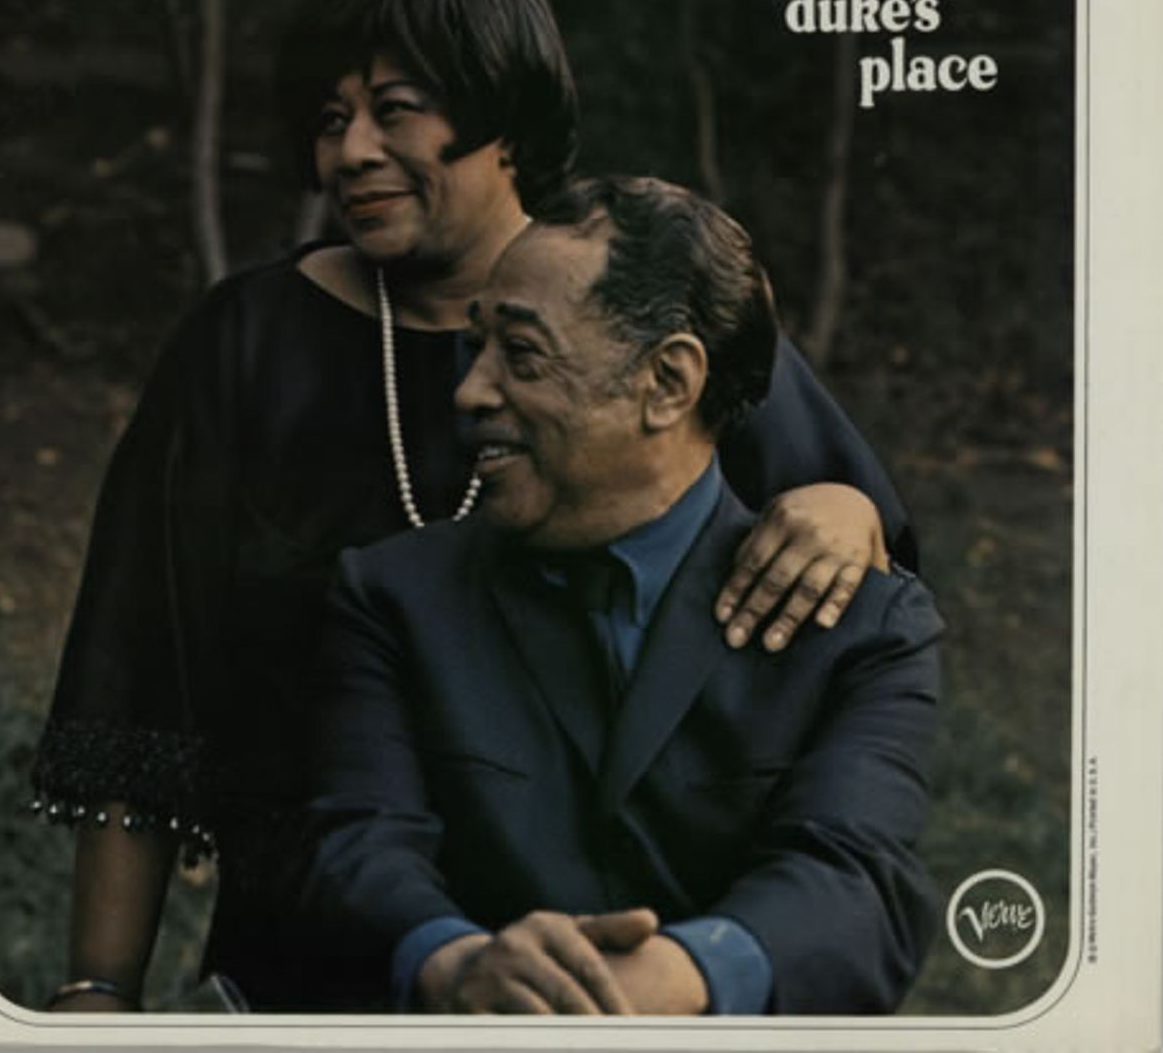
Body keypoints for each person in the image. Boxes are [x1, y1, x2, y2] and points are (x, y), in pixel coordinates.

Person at [32, 0, 914, 1013]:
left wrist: (843, 505)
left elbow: (856, 582)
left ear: (503, 114)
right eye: (327, 119)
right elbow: (135, 682)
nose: (350, 151)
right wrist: (99, 985)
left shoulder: (636, 299)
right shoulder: (245, 346)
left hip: (625, 955)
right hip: (327, 937)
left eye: (394, 109)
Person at [298, 176, 942, 1015]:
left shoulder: (863, 625)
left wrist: (673, 980)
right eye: (475, 346)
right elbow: (356, 847)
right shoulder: (390, 598)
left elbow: (857, 878)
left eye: (521, 353)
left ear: (668, 382)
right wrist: (456, 962)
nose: (469, 391)